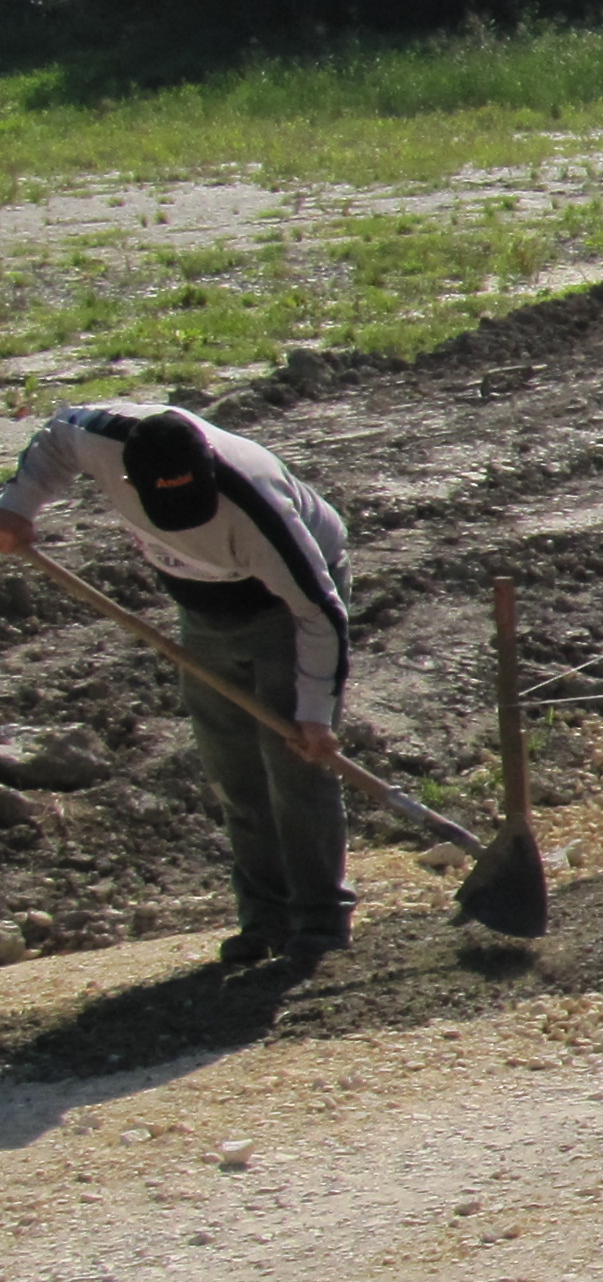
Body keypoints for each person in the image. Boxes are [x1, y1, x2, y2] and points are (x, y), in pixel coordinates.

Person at [0, 403, 356, 971]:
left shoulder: (260, 506)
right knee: (233, 768)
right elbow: (55, 438)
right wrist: (16, 506)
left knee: (294, 767)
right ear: (127, 480)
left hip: (284, 613)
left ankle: (319, 920)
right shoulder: (100, 439)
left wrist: (315, 713)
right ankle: (264, 919)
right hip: (200, 608)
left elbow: (320, 614)